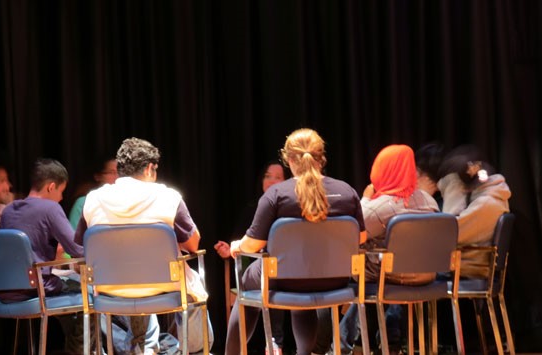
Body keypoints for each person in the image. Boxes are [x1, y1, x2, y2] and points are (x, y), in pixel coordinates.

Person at [219, 128, 365, 355]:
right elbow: (361, 237)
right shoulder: (346, 191)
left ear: (288, 159)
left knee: (249, 279)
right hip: (335, 279)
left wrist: (237, 246)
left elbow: (253, 245)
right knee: (301, 274)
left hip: (284, 278)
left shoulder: (277, 194)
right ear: (321, 157)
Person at [74, 137, 213, 355]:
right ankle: (195, 349)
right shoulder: (168, 197)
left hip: (109, 290)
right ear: (149, 169)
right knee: (194, 288)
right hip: (163, 286)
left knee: (131, 284)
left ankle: (140, 348)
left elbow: (84, 245)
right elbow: (194, 244)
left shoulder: (92, 200)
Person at [335, 144, 440, 354]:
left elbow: (351, 232)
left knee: (348, 262)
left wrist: (365, 198)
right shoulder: (429, 202)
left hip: (388, 278)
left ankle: (343, 345)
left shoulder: (380, 207)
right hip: (426, 277)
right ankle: (380, 339)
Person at [0, 158, 87, 354]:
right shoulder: (51, 208)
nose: (61, 199)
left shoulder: (8, 211)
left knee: (68, 292)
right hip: (37, 290)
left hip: (5, 291)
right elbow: (77, 249)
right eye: (61, 192)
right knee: (89, 293)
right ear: (51, 186)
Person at [214, 160, 290, 353]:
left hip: (288, 270)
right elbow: (239, 245)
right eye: (268, 176)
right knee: (266, 280)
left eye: (278, 177)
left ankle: (274, 342)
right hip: (257, 273)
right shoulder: (252, 208)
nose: (272, 181)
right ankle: (259, 345)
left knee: (272, 280)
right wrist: (227, 250)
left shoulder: (290, 209)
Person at [437, 145, 511, 278]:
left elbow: (449, 234)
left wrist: (453, 189)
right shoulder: (492, 194)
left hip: (469, 267)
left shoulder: (487, 203)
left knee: (416, 264)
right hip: (465, 262)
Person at [68, 156, 118, 230]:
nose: (117, 176)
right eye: (112, 172)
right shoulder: (83, 202)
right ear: (97, 176)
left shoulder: (129, 200)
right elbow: (73, 236)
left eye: (120, 172)